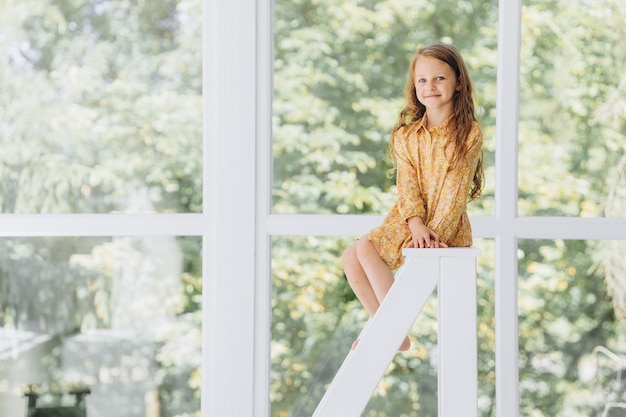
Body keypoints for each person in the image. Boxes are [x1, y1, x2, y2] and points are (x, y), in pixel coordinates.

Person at [342, 42, 484, 351]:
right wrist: (416, 224)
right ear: (414, 86)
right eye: (422, 80)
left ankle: (390, 330)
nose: (430, 86)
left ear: (458, 82)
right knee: (350, 257)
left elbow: (454, 193)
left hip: (443, 229)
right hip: (412, 220)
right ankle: (393, 332)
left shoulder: (467, 133)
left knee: (365, 247)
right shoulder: (406, 136)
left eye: (439, 78)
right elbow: (407, 186)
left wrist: (432, 233)